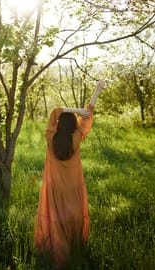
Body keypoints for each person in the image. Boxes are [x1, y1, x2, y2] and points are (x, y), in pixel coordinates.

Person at [34, 80, 105, 268]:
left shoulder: (50, 137)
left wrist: (71, 110)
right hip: (73, 188)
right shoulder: (77, 138)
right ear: (74, 125)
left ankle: (57, 252)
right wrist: (97, 91)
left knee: (57, 220)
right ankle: (75, 248)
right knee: (73, 217)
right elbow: (88, 115)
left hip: (55, 188)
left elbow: (55, 111)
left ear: (58, 125)